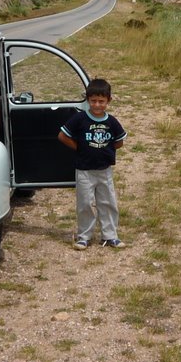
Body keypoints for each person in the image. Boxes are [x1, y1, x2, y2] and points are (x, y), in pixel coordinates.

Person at [58, 77, 127, 250]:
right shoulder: (80, 119)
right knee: (85, 203)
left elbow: (119, 141)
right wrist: (79, 147)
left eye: (101, 101)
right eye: (93, 101)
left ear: (108, 101)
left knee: (108, 202)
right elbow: (62, 136)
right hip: (84, 170)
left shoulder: (111, 121)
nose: (97, 105)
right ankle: (84, 236)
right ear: (88, 100)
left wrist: (106, 149)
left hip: (104, 170)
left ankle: (110, 236)